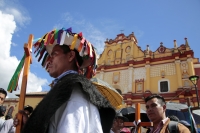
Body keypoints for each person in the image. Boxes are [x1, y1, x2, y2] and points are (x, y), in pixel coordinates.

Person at [14, 28, 115, 133]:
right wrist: (29, 125)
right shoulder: (65, 87)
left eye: (54, 54)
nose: (49, 60)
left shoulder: (72, 90)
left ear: (70, 56)